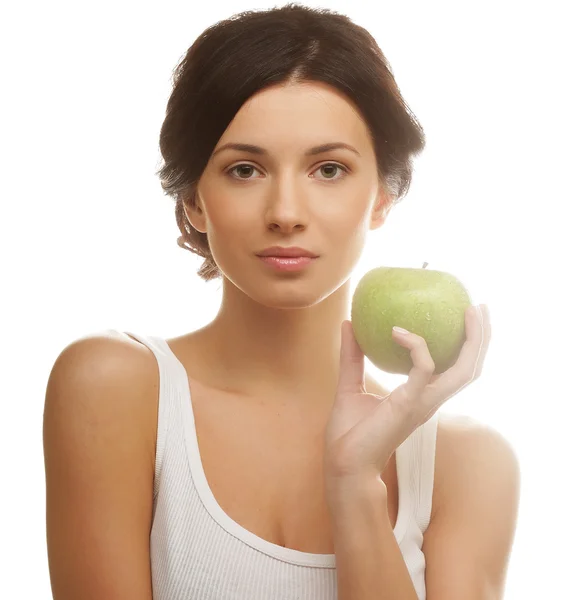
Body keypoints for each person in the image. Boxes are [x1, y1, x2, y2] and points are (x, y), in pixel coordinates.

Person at [43, 4, 520, 600]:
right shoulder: (115, 388)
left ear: (381, 198)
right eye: (245, 169)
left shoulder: (466, 463)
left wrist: (355, 486)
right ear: (193, 199)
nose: (286, 213)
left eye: (328, 169)